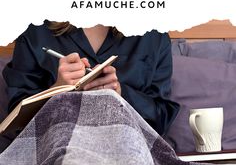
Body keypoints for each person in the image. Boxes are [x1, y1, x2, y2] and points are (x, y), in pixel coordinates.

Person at [2, 20, 179, 138]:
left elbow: (161, 120)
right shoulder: (37, 31)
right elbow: (16, 124)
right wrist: (57, 90)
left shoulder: (153, 35)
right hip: (60, 147)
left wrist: (121, 94)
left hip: (127, 146)